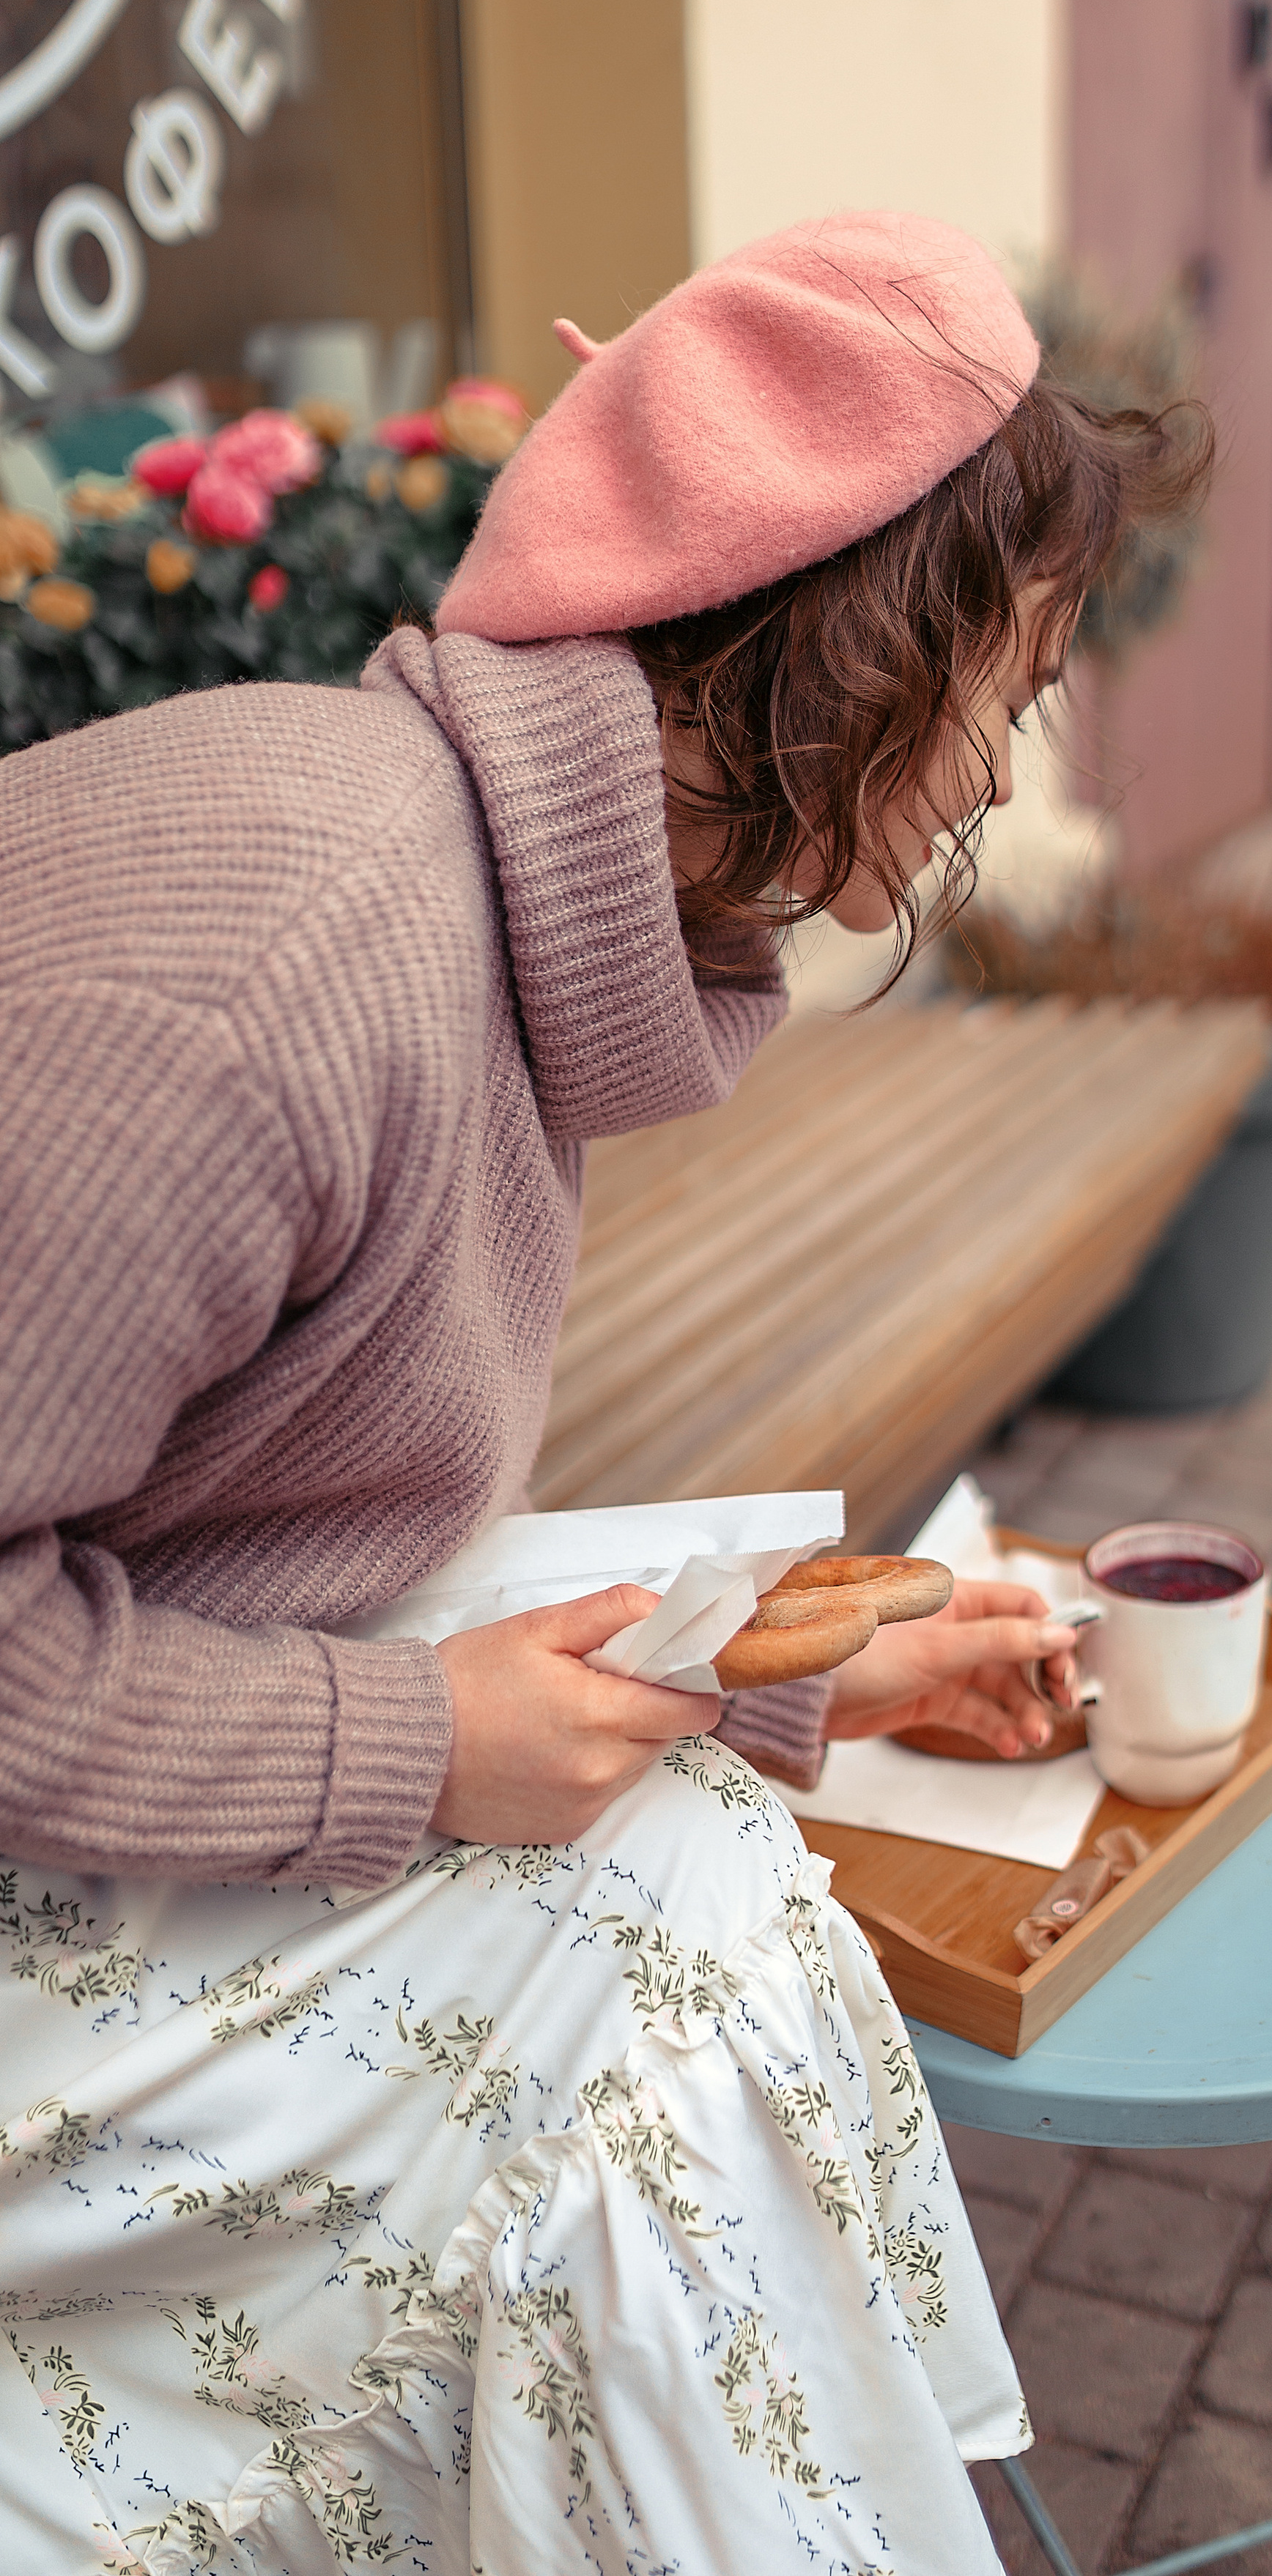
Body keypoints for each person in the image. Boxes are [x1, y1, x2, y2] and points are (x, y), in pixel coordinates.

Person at [0, 214, 1210, 2572]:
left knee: (688, 1895)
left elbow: (270, 1537)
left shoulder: (457, 908)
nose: (1003, 763)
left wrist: (789, 1673)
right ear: (850, 650)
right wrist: (419, 1754)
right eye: (1010, 684)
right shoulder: (294, 975)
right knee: (672, 1949)